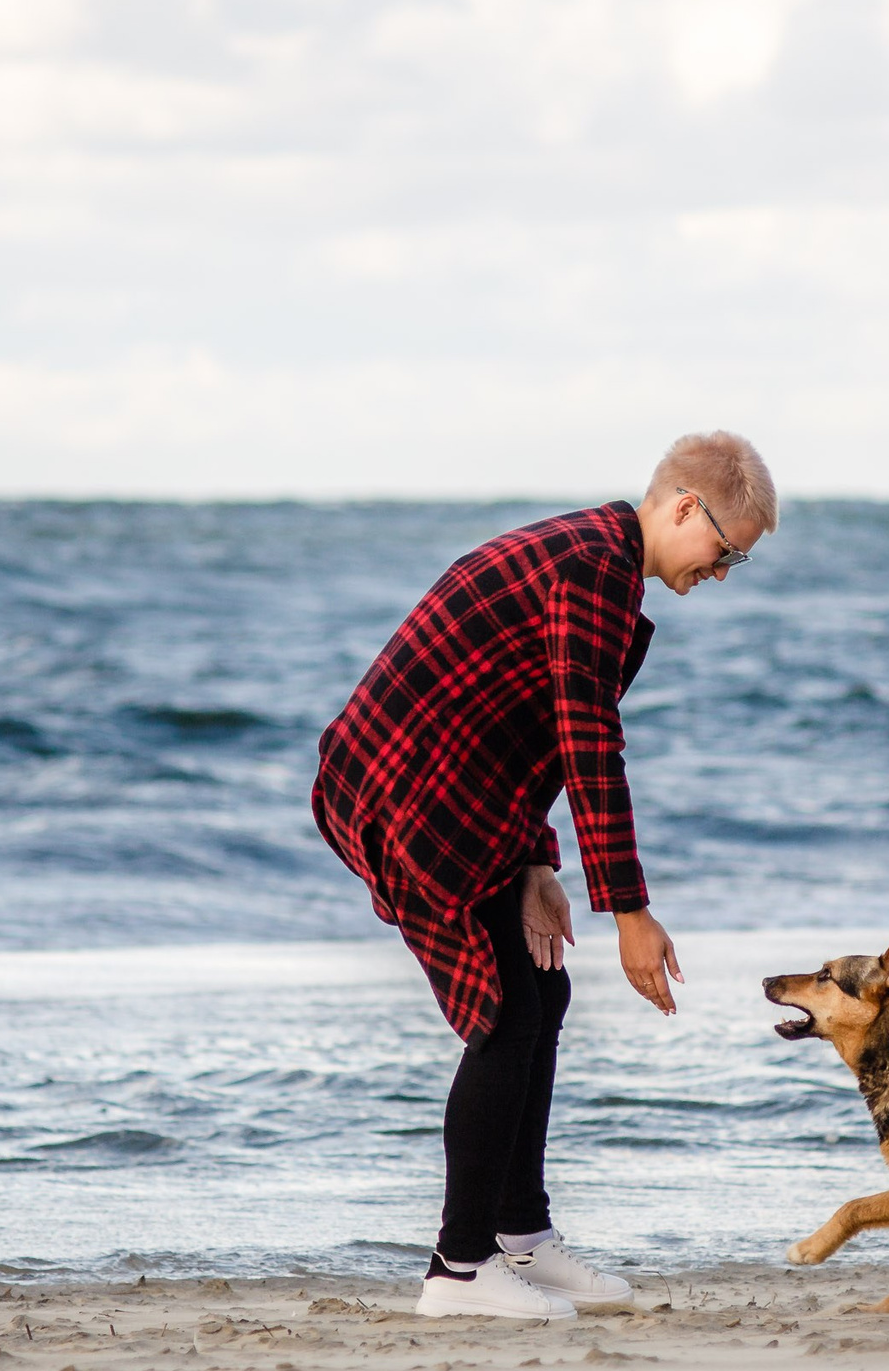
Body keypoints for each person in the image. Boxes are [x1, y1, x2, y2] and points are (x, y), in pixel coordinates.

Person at [311, 431, 776, 1319]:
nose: (722, 574)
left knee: (543, 986)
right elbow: (587, 740)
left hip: (455, 790)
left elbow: (520, 721)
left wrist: (533, 861)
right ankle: (457, 1270)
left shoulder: (598, 558)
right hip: (403, 793)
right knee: (505, 1010)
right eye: (726, 552)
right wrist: (629, 911)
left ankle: (520, 1234)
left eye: (737, 562)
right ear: (685, 507)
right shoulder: (594, 569)